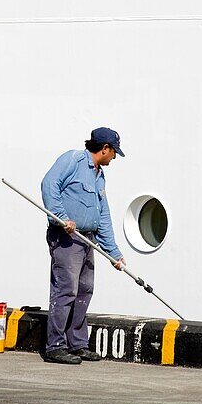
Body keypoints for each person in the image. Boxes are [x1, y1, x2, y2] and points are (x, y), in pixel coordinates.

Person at [40, 127, 126, 364]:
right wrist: (59, 216)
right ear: (104, 149)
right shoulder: (73, 160)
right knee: (66, 289)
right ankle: (55, 346)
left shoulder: (99, 175)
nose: (115, 157)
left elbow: (103, 215)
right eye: (114, 152)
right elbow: (49, 184)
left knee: (85, 289)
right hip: (67, 237)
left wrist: (113, 252)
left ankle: (76, 343)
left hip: (88, 239)